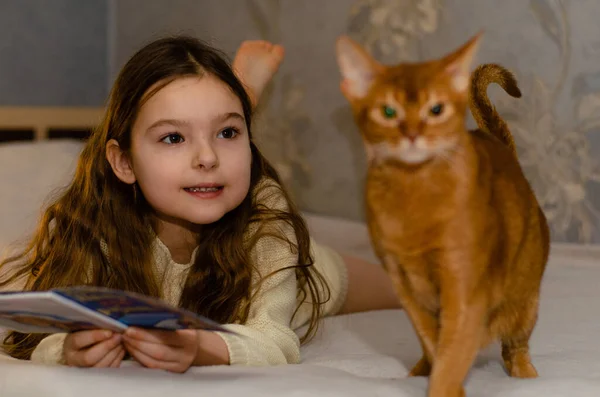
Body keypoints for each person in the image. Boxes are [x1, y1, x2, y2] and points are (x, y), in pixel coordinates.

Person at [0, 36, 399, 373]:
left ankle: (241, 97)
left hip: (318, 275)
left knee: (418, 289)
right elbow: (36, 337)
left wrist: (199, 348)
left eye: (228, 132)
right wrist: (67, 351)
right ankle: (240, 99)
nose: (206, 157)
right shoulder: (93, 223)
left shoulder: (264, 213)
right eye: (173, 138)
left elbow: (275, 341)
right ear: (123, 162)